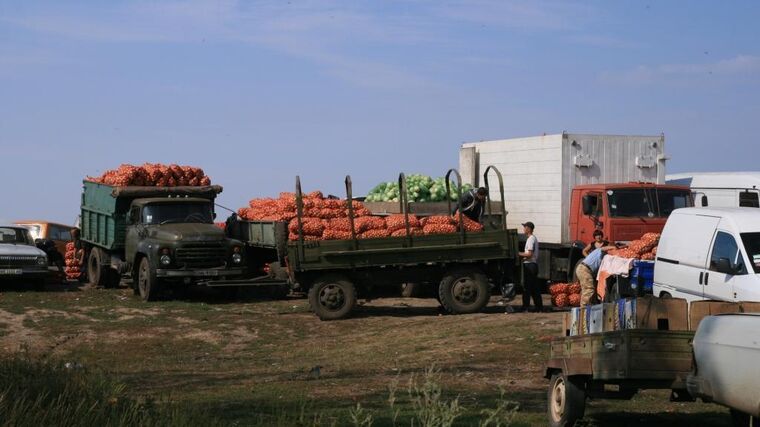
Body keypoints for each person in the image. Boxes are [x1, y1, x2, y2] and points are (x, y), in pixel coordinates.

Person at [519, 221, 542, 312]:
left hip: (530, 266)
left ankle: (526, 307)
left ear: (528, 228)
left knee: (527, 287)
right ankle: (538, 307)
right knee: (533, 287)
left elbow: (529, 254)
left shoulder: (531, 239)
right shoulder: (532, 238)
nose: (523, 229)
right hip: (532, 265)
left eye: (524, 227)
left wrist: (519, 254)